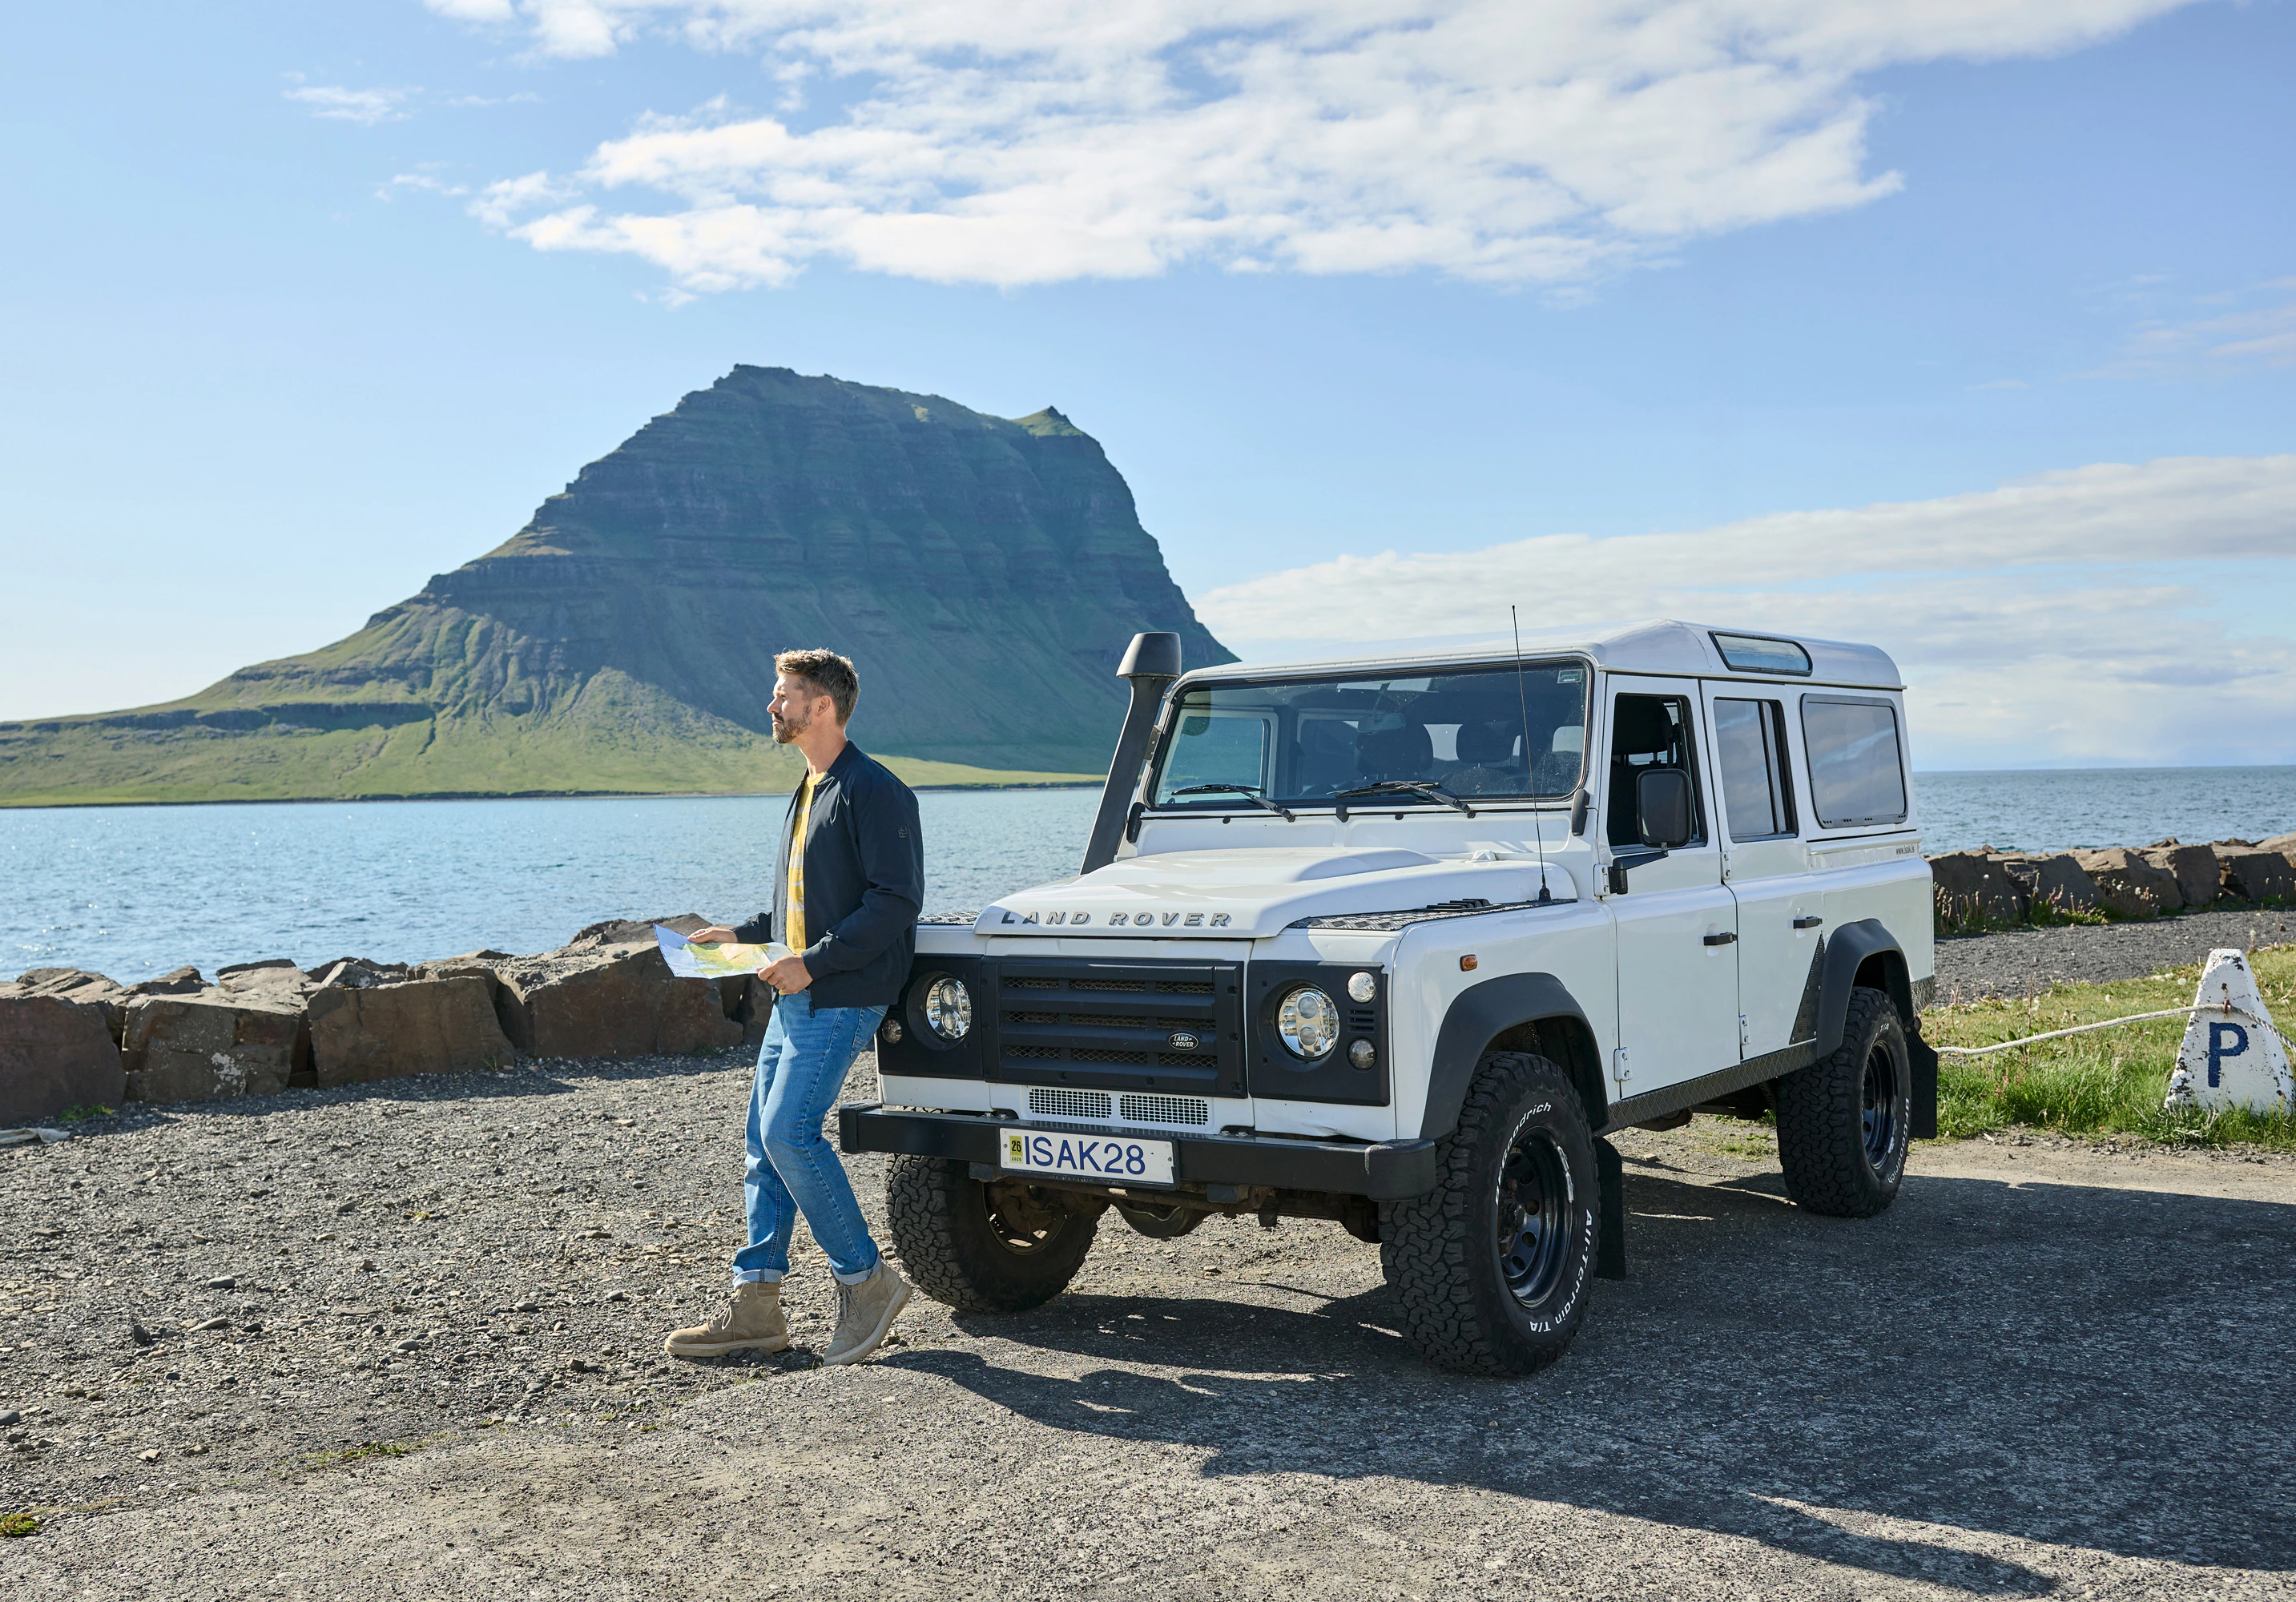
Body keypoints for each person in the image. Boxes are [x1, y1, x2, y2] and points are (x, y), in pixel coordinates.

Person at [665, 648, 922, 1367]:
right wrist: (745, 935)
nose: (772, 707)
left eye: (785, 696)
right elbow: (809, 902)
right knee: (762, 1143)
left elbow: (896, 902)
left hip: (840, 994)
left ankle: (866, 1283)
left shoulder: (875, 789)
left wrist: (811, 963)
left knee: (789, 1134)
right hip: (799, 992)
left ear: (824, 707)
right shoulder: (812, 787)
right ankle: (756, 1304)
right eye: (776, 696)